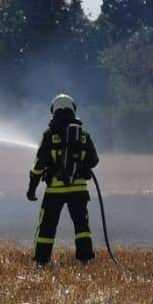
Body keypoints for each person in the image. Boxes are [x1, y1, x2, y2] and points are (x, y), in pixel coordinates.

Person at [26, 94, 100, 266]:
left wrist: (32, 188)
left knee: (47, 226)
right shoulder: (83, 135)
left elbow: (38, 166)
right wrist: (82, 168)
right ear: (73, 109)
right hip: (79, 189)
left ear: (54, 110)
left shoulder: (49, 135)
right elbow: (94, 161)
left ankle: (42, 261)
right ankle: (85, 258)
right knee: (82, 226)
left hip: (55, 191)